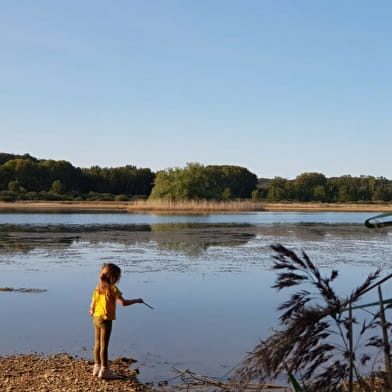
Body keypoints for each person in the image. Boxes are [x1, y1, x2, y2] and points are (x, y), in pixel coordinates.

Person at [89, 263, 143, 379]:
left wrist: (92, 310)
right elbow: (123, 303)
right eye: (118, 277)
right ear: (113, 277)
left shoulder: (98, 287)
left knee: (97, 343)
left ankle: (96, 367)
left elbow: (93, 303)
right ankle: (105, 370)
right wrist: (136, 300)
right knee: (104, 345)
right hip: (106, 319)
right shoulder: (113, 289)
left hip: (96, 318)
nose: (118, 279)